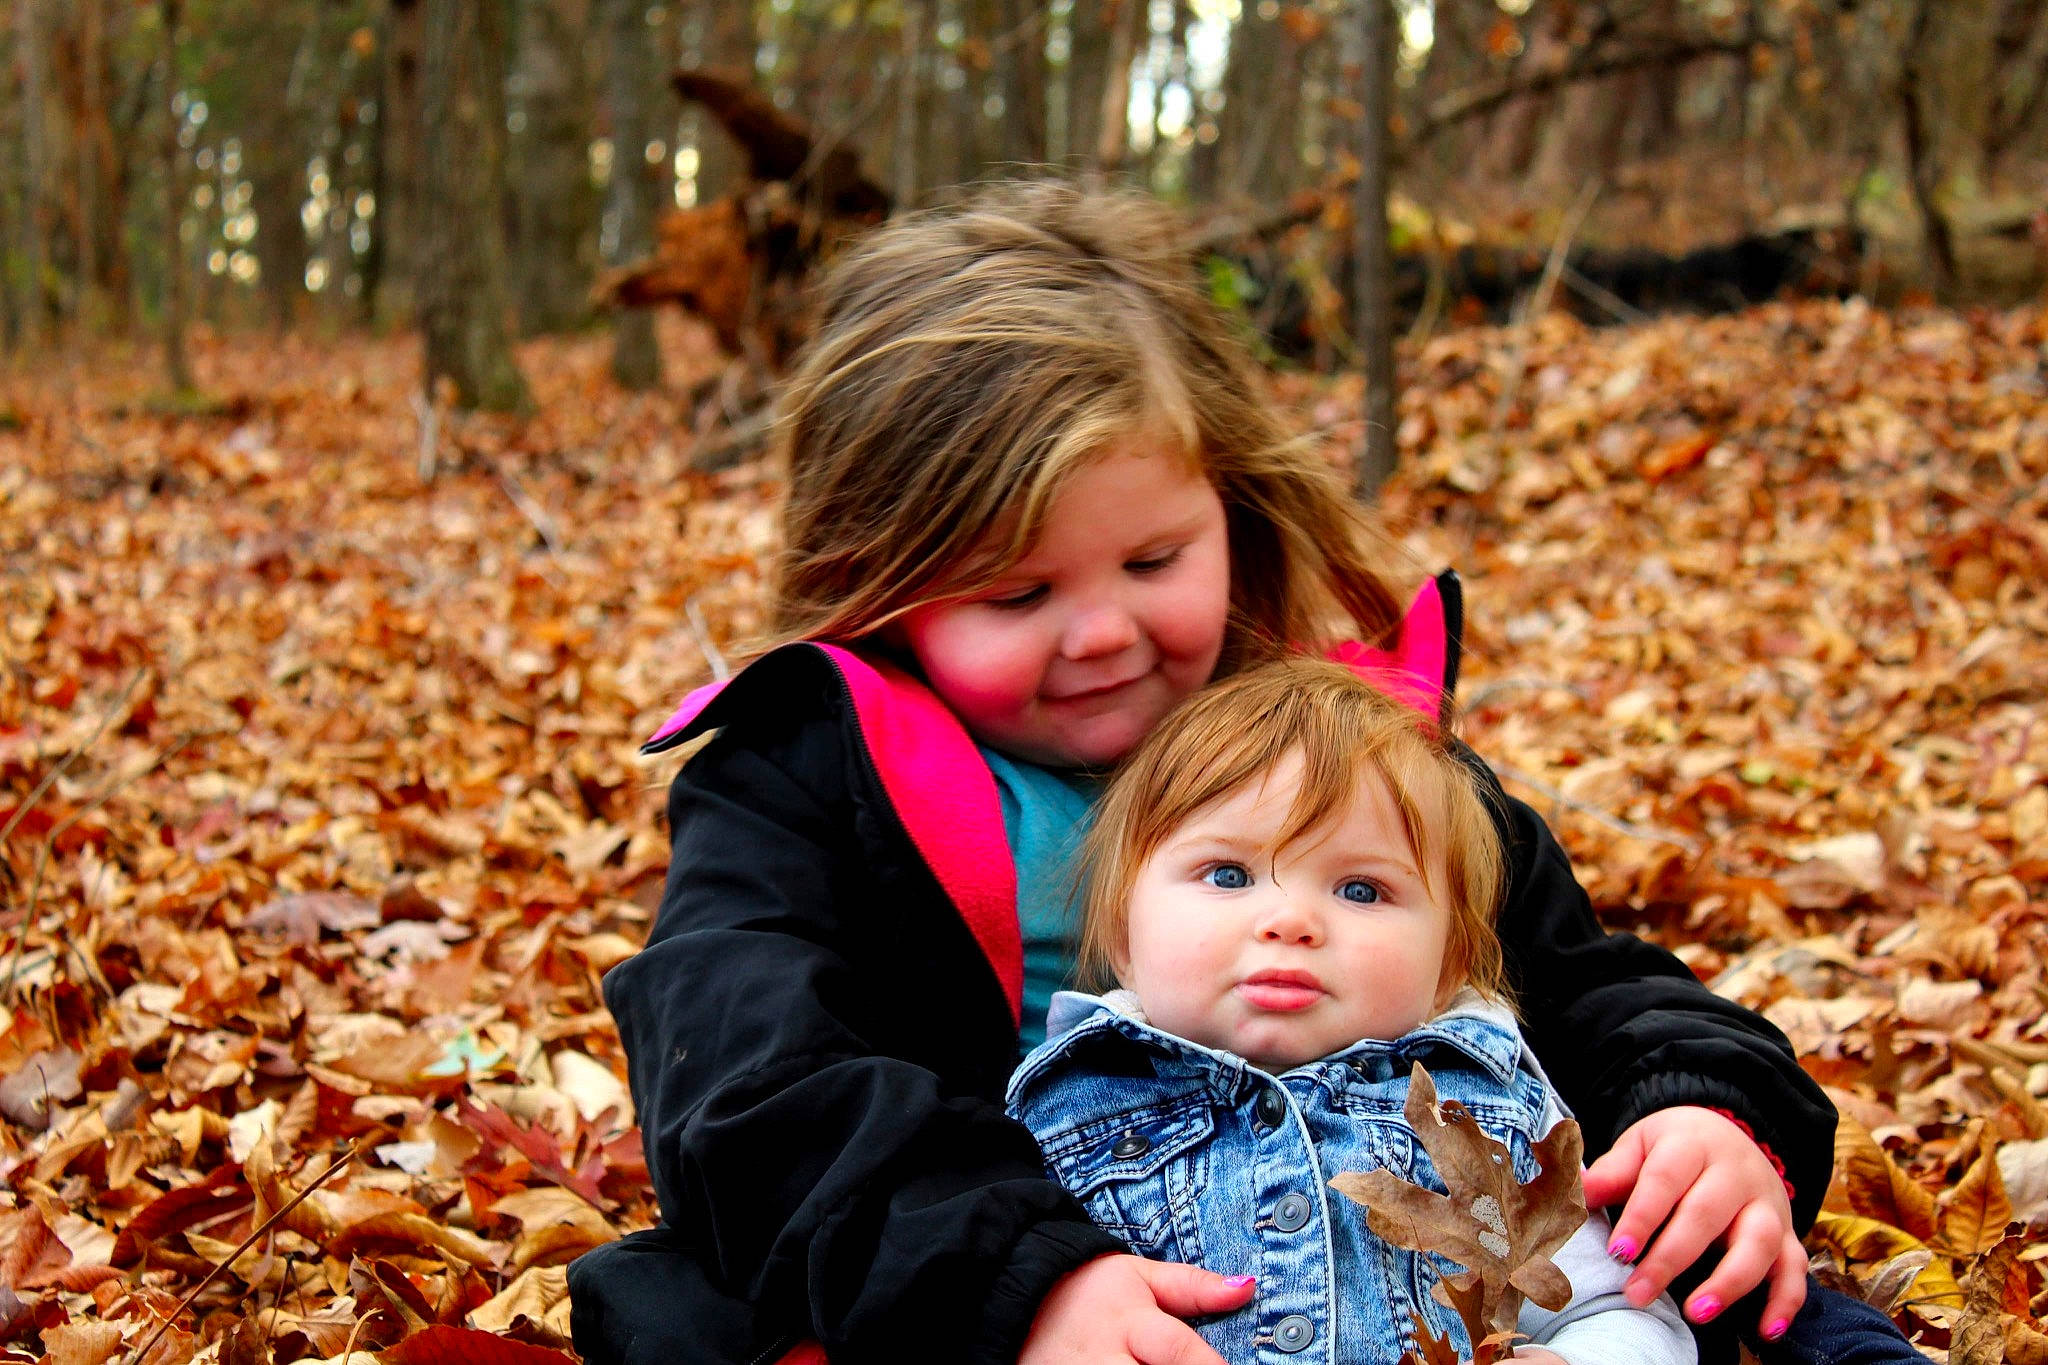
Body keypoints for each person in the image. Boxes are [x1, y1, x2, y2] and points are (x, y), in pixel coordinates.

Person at [567, 181, 1835, 1365]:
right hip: (1013, 1253)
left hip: (1397, 1256)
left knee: (1731, 1285)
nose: (1100, 633)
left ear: (1231, 508)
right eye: (1015, 593)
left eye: (1151, 561)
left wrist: (1700, 1111)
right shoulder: (805, 775)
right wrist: (1022, 1280)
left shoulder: (1336, 750)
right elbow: (748, 1073)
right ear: (877, 581)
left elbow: (1580, 980)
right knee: (671, 1309)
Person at [1007, 658, 1695, 1365]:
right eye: (1229, 875)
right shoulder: (1060, 1105)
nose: (1289, 920)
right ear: (1123, 941)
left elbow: (1621, 1310)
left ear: (1449, 965)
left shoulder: (1487, 1107)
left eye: (1361, 890)